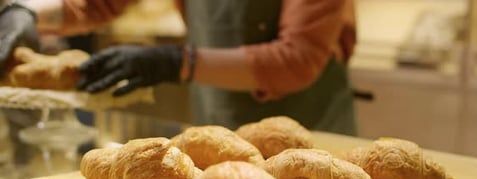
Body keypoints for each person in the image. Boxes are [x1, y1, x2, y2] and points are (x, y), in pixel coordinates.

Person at [0, 0, 358, 134]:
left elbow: (296, 59)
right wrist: (28, 11)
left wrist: (178, 62)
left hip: (310, 135)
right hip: (217, 123)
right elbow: (97, 4)